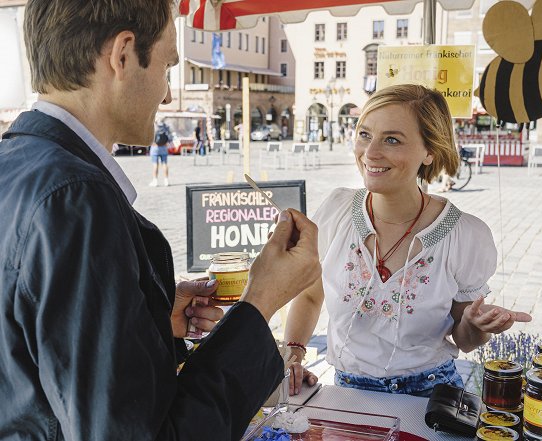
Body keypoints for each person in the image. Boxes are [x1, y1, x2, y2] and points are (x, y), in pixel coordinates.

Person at [0, 1, 321, 440]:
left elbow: (33, 363)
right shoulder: (76, 199)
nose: (167, 94)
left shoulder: (15, 163)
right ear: (124, 54)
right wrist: (259, 303)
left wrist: (147, 320)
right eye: (168, 66)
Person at [284, 84, 531, 397]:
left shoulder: (463, 235)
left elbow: (465, 340)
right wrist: (292, 356)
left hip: (429, 398)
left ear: (430, 150)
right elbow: (309, 295)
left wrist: (475, 324)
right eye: (364, 134)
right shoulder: (337, 212)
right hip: (348, 393)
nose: (370, 153)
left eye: (391, 139)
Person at [150, 121, 171, 186]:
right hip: (164, 147)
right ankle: (166, 180)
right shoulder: (166, 126)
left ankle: (155, 181)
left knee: (155, 164)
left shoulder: (153, 125)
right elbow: (170, 138)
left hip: (155, 147)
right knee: (164, 164)